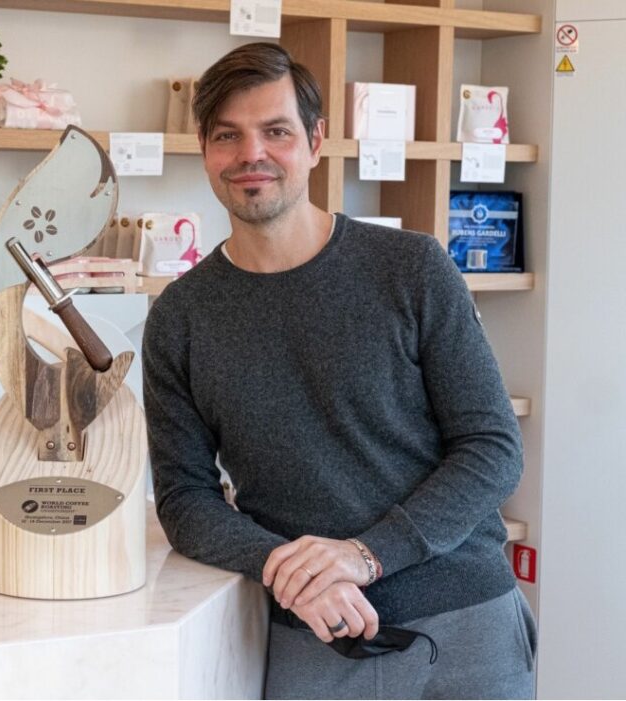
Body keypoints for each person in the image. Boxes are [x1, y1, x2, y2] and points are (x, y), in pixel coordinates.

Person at [142, 42, 537, 699]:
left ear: (316, 139)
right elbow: (185, 498)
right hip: (316, 630)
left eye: (275, 131)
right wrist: (280, 565)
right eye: (227, 136)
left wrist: (365, 553)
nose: (252, 155)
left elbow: (491, 448)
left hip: (467, 627)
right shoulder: (181, 317)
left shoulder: (412, 268)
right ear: (204, 148)